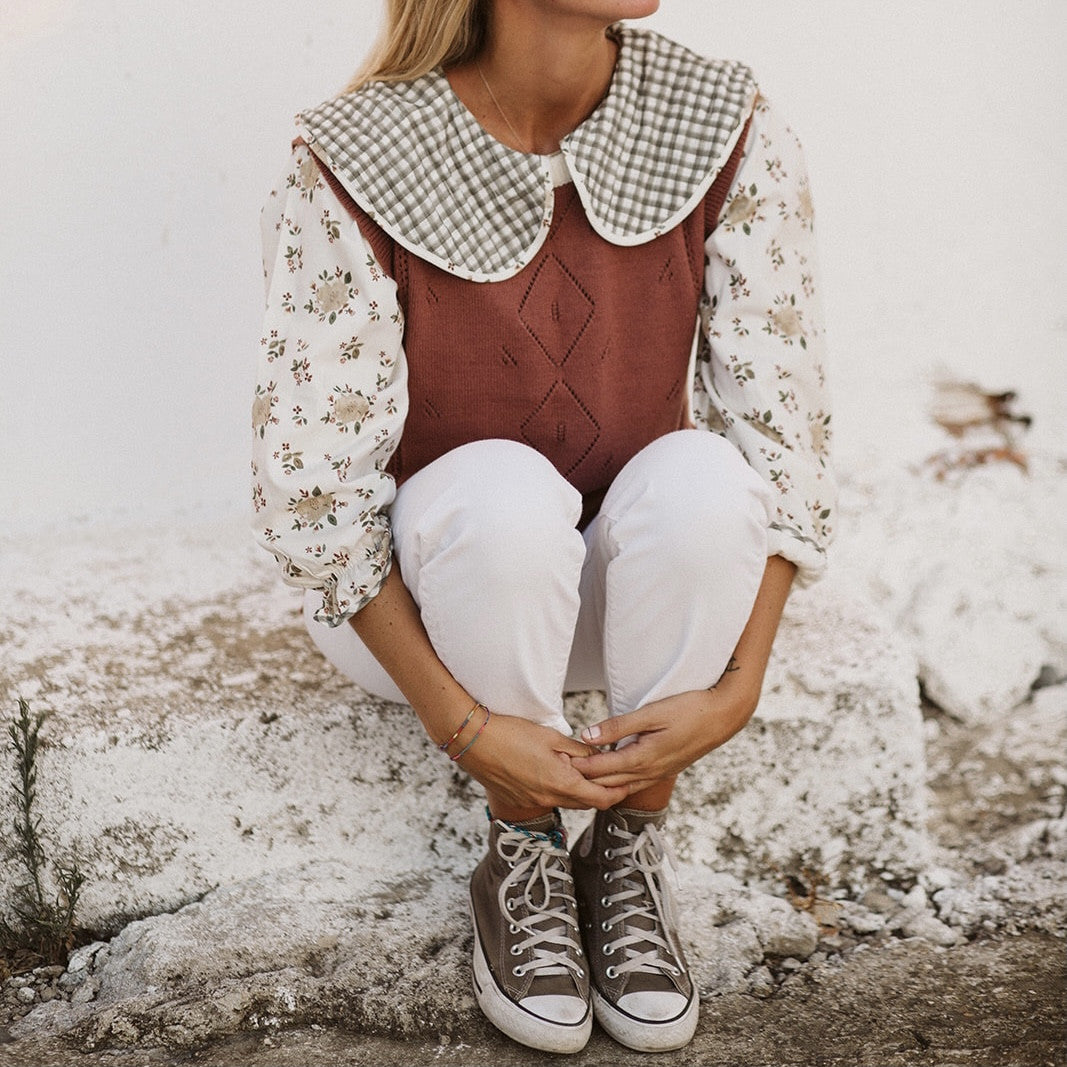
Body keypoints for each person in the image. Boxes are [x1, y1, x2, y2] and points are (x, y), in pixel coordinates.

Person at [253, 0, 834, 1054]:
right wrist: (463, 729)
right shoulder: (350, 153)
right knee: (501, 494)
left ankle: (624, 840)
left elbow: (780, 435)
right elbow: (315, 497)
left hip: (615, 598)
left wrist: (736, 686)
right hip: (425, 604)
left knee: (705, 477)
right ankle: (520, 847)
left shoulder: (722, 118)